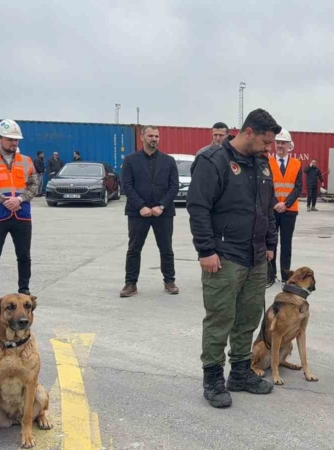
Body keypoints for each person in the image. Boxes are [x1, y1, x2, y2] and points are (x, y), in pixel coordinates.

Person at [187, 108, 281, 408]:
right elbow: (198, 207)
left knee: (248, 317)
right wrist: (206, 250)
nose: (269, 149)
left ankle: (240, 372)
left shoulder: (261, 163)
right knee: (220, 319)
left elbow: (268, 207)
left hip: (255, 255)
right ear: (248, 132)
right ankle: (213, 377)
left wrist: (270, 244)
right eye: (265, 142)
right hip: (224, 256)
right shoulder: (213, 161)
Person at [119, 126, 180, 298]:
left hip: (163, 213)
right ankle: (130, 284)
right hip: (138, 213)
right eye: (151, 135)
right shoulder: (131, 160)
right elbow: (127, 186)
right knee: (134, 249)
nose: (154, 138)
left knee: (166, 248)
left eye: (157, 136)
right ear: (142, 137)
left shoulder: (168, 161)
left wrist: (161, 206)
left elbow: (174, 186)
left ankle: (169, 281)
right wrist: (141, 206)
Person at [0, 120, 39, 297]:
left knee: (24, 256)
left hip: (22, 215)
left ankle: (24, 290)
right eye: (10, 139)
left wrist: (20, 199)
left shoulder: (26, 161)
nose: (14, 143)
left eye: (16, 140)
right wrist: (3, 200)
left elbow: (34, 184)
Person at [269, 129, 303, 281]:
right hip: (272, 209)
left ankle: (285, 276)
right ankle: (270, 275)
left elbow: (298, 188)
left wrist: (286, 204)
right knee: (270, 243)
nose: (280, 146)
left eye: (283, 143)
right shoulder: (267, 162)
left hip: (289, 210)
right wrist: (276, 203)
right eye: (278, 142)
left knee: (286, 244)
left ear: (289, 145)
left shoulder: (297, 164)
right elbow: (265, 186)